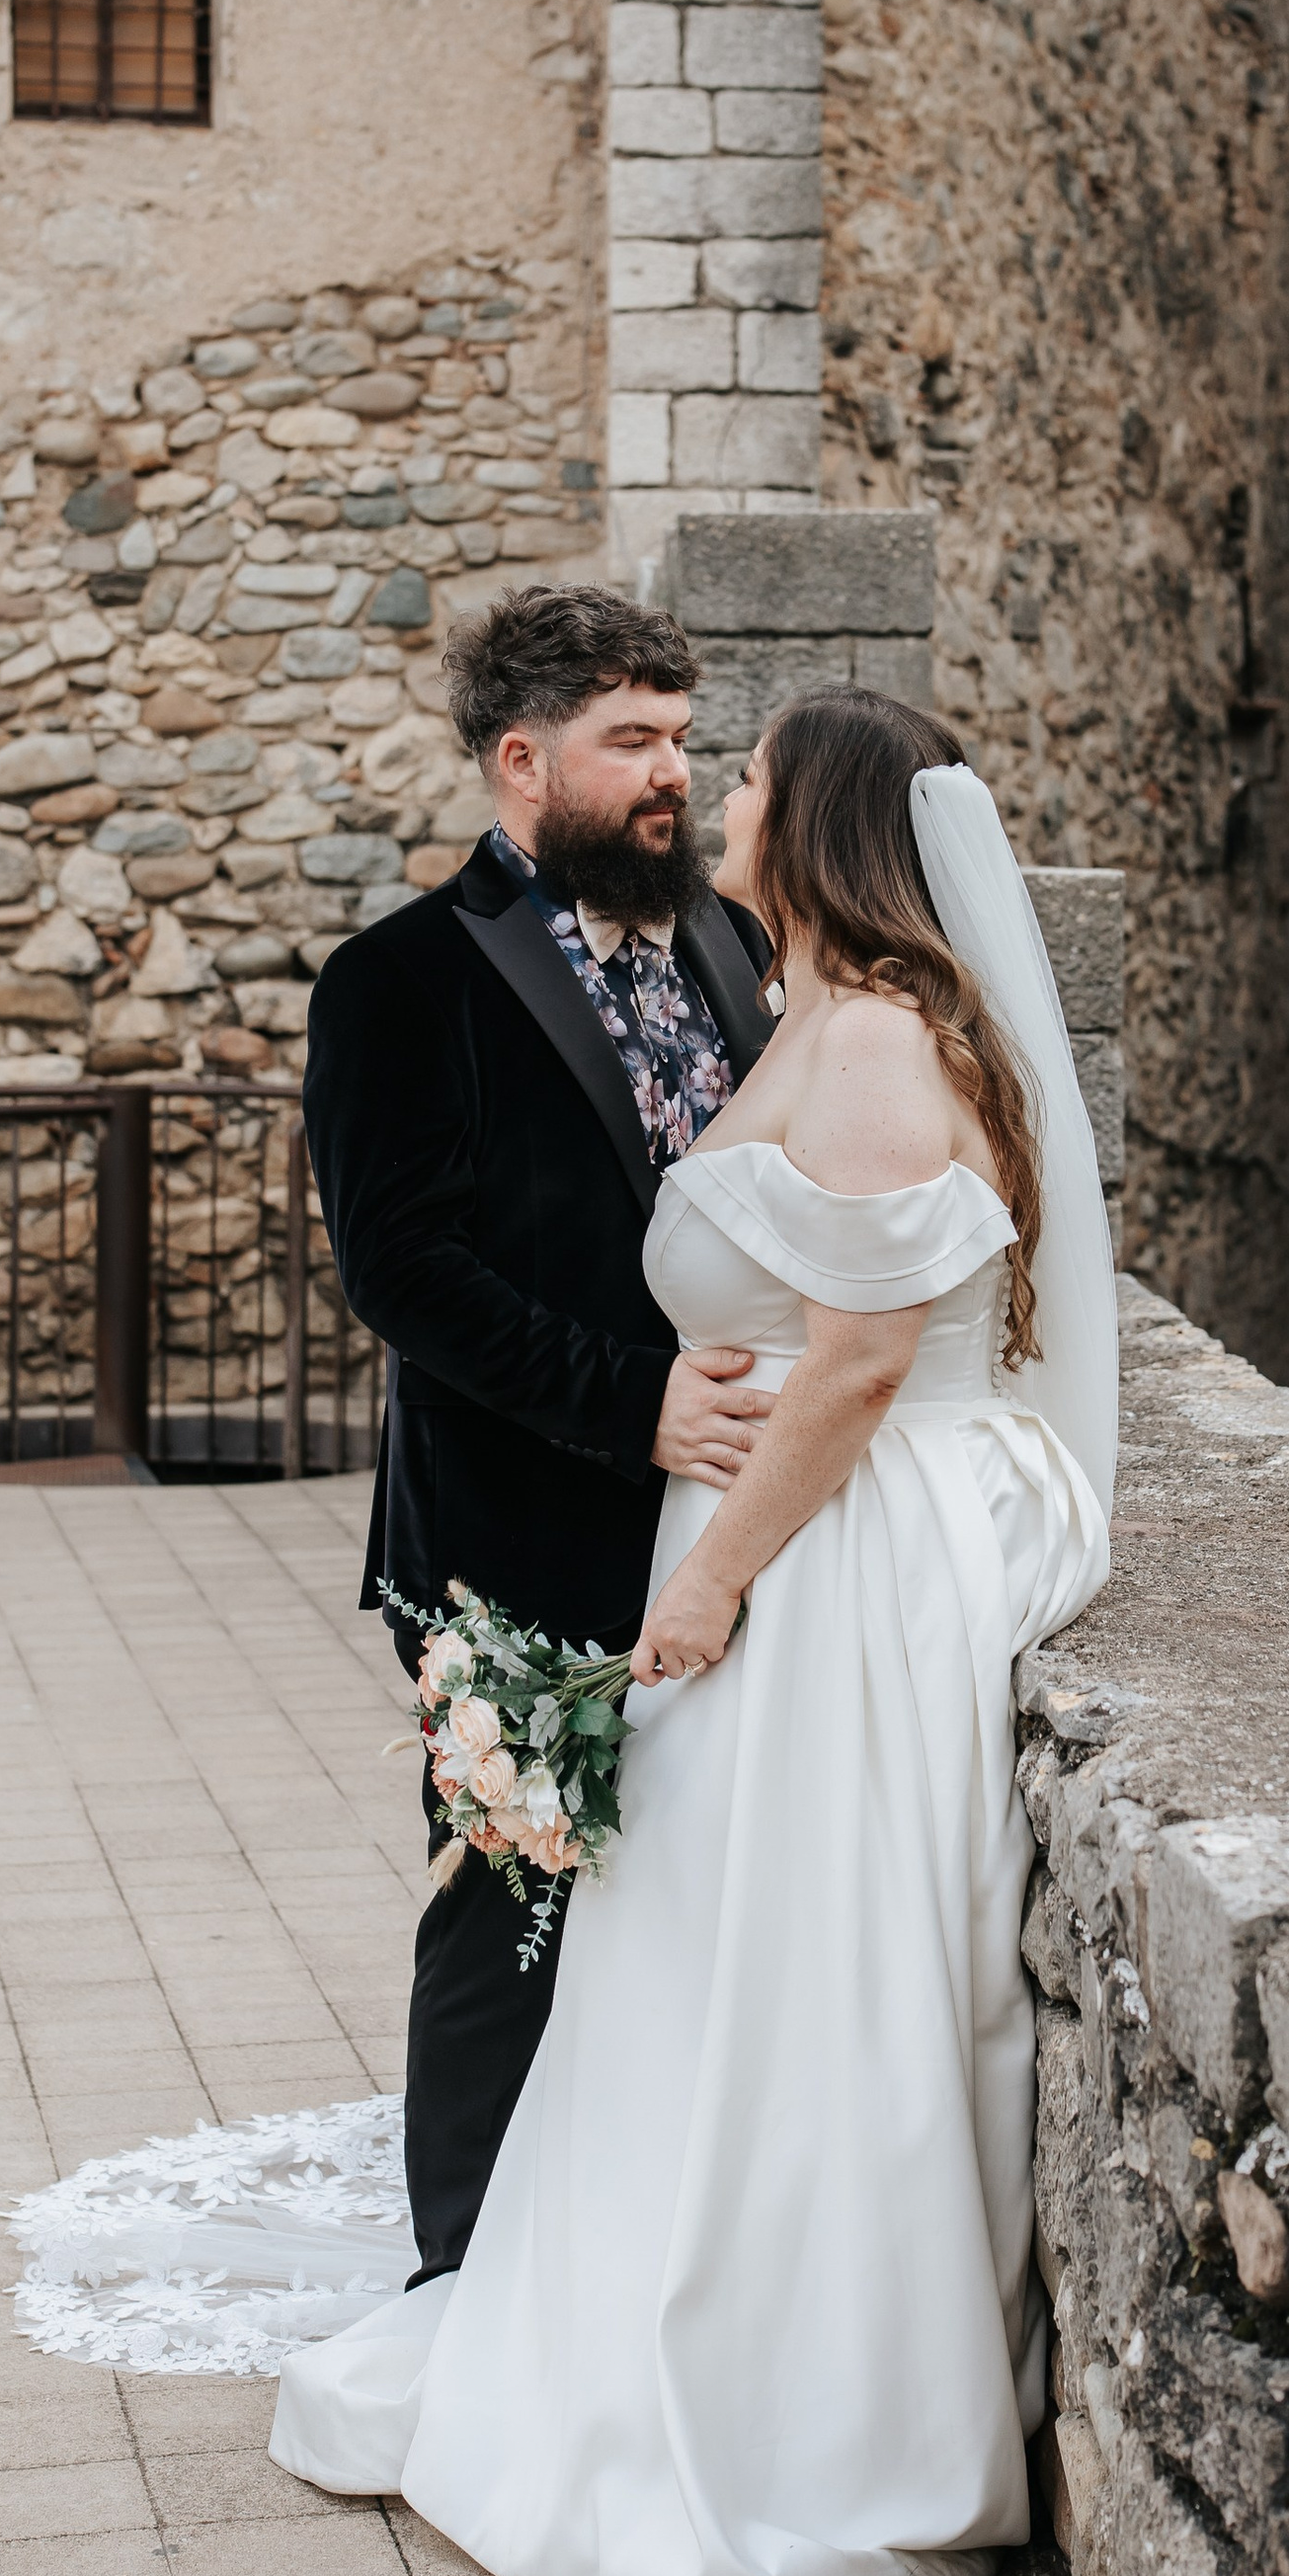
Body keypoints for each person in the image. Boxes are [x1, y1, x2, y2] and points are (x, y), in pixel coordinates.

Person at [267, 684, 1116, 2576]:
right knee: (687, 1968)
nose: (700, 790)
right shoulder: (791, 1002)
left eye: (729, 767)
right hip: (723, 1550)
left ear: (807, 819)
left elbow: (865, 1359)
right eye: (655, 744)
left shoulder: (878, 1035)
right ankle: (590, 2299)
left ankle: (786, 2400)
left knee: (791, 1983)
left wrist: (712, 1584)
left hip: (825, 1572)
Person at [301, 586, 780, 2282]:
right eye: (631, 742)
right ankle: (463, 2280)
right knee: (508, 1914)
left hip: (718, 1535)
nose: (672, 773)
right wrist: (633, 1402)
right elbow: (407, 1277)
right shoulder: (396, 983)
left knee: (680, 1918)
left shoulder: (727, 943)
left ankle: (626, 2263)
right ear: (522, 761)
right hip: (510, 1539)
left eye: (681, 738)